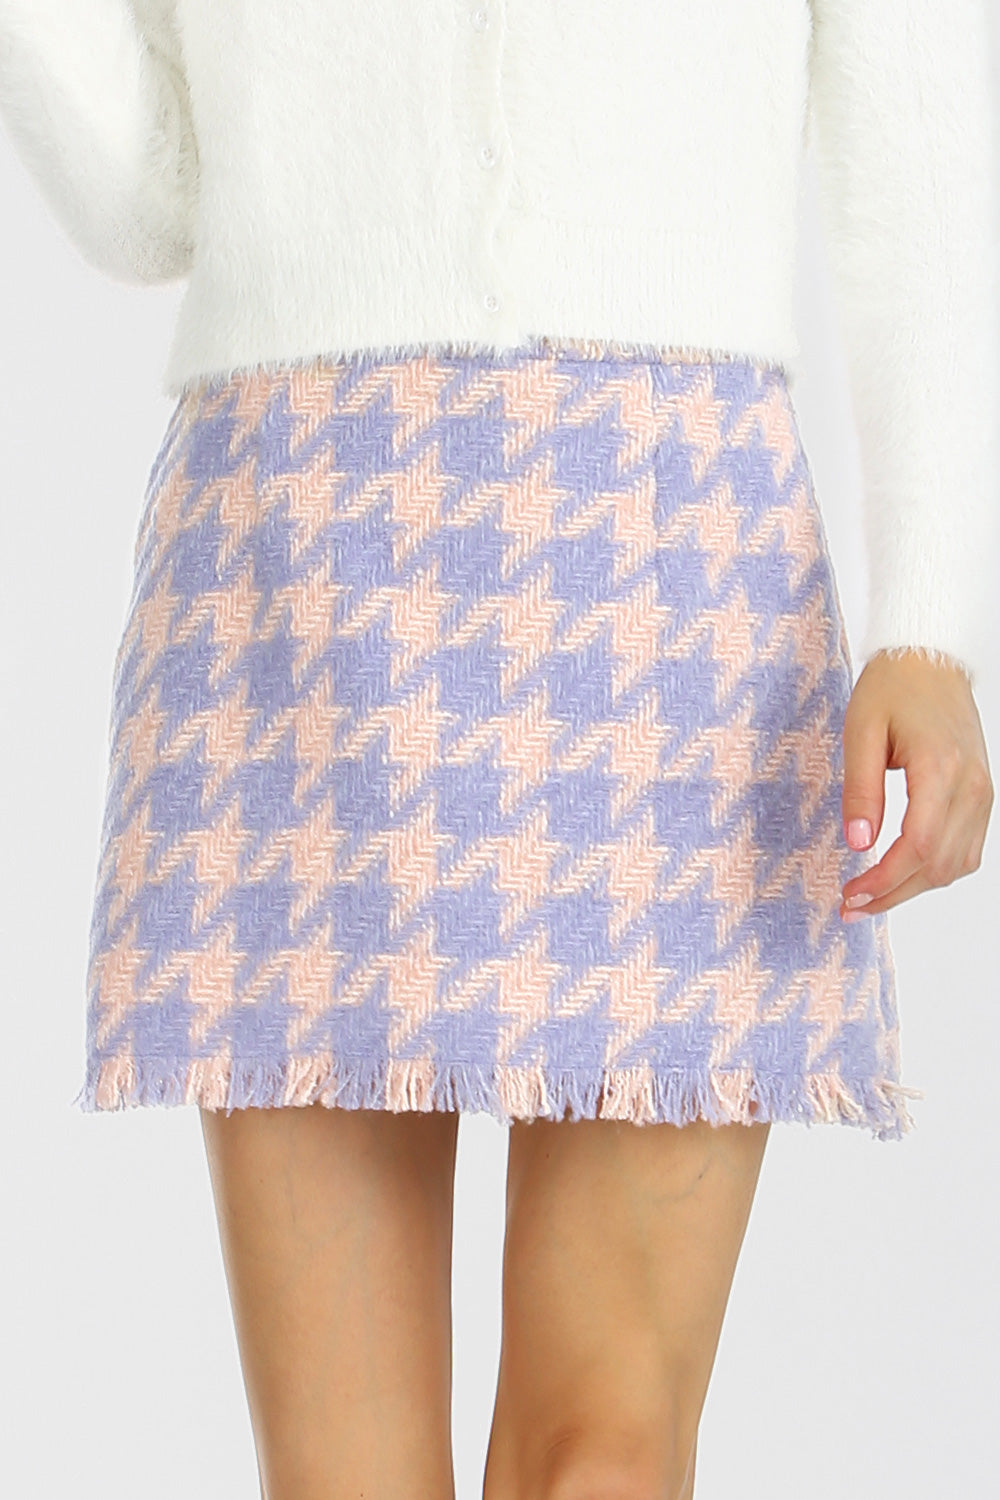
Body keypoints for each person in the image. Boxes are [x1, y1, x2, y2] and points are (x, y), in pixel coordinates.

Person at [1, 2, 995, 1496]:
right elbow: (152, 195)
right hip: (294, 540)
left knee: (606, 1456)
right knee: (342, 1477)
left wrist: (930, 620)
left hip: (666, 541)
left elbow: (915, 121)